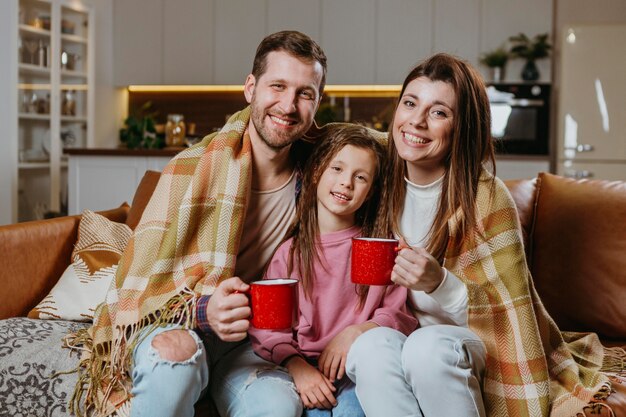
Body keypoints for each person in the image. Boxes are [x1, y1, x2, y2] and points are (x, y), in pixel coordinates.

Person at [67, 30, 328, 417]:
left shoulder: (326, 173)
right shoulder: (191, 169)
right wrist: (205, 310)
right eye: (277, 86)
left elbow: (393, 146)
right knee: (171, 362)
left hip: (254, 339)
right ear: (251, 88)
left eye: (305, 93)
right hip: (186, 321)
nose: (288, 105)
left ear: (318, 101)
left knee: (276, 407)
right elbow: (143, 288)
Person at [345, 53, 622, 417]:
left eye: (439, 112)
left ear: (462, 127)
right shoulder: (375, 167)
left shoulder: (486, 198)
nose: (416, 121)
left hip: (470, 343)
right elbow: (306, 141)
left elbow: (511, 314)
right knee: (369, 346)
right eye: (410, 103)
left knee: (426, 348)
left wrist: (439, 282)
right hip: (401, 330)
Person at [249, 124, 418, 417]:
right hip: (306, 371)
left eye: (360, 177)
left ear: (371, 191)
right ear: (316, 173)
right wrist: (297, 366)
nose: (346, 183)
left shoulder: (377, 249)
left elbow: (397, 315)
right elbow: (269, 328)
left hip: (360, 372)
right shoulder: (289, 253)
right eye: (337, 169)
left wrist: (356, 332)